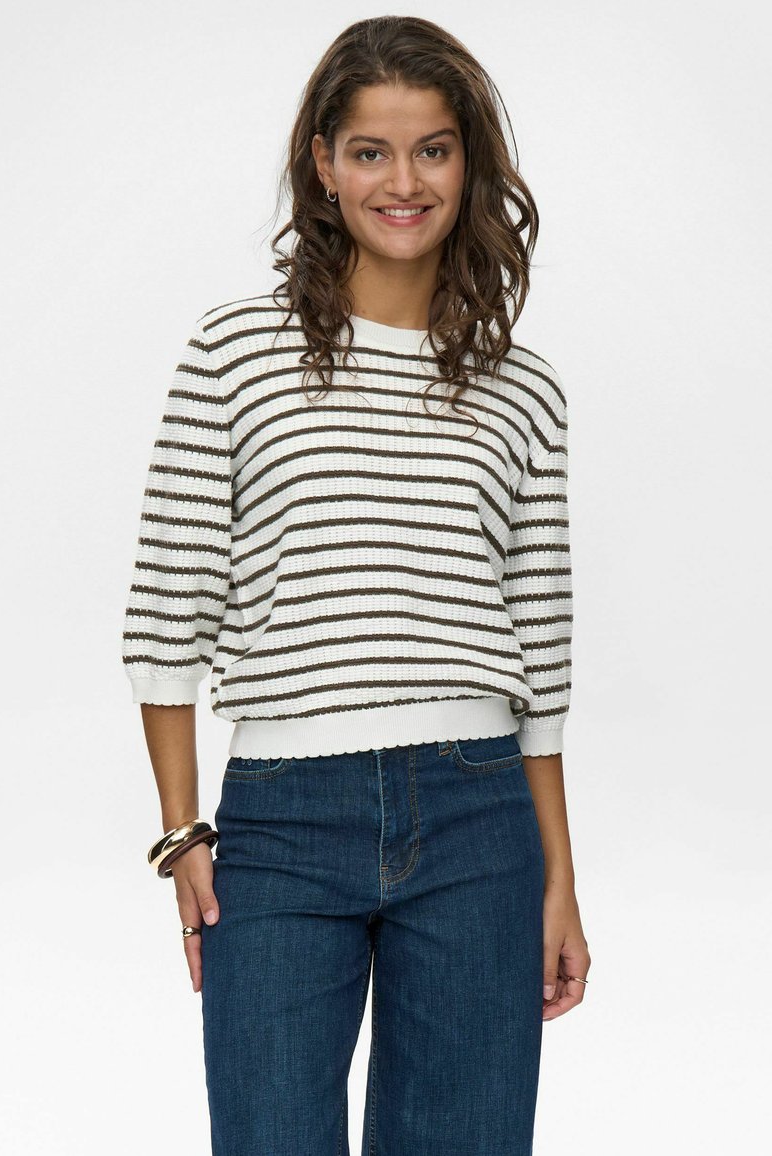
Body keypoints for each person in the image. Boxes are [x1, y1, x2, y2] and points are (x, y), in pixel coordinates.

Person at [122, 15, 591, 1156]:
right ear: (323, 165)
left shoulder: (523, 389)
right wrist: (183, 833)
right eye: (371, 151)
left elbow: (540, 655)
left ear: (469, 165)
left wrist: (559, 879)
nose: (403, 181)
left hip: (479, 817)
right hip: (284, 818)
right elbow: (166, 610)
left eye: (433, 149)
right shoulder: (234, 354)